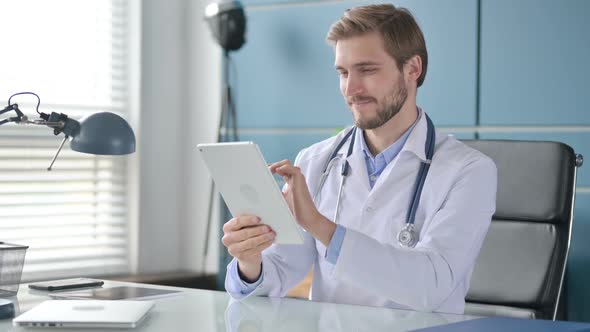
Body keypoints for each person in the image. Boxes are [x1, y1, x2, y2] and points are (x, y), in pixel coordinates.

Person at [222, 4, 497, 314]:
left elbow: (431, 285)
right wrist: (250, 260)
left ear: (413, 69)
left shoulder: (469, 172)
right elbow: (283, 269)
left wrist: (320, 225)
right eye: (343, 72)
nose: (350, 89)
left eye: (367, 70)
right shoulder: (316, 161)